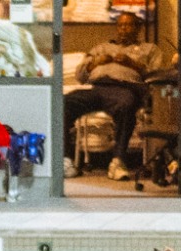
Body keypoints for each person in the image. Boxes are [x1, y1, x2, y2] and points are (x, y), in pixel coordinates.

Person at [65, 10, 166, 182]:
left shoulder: (149, 49)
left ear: (138, 28)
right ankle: (66, 159)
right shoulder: (101, 48)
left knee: (126, 104)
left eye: (128, 25)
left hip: (125, 89)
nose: (123, 29)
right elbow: (80, 76)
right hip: (97, 88)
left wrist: (133, 64)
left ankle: (118, 161)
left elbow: (156, 76)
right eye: (120, 25)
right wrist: (94, 63)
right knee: (63, 103)